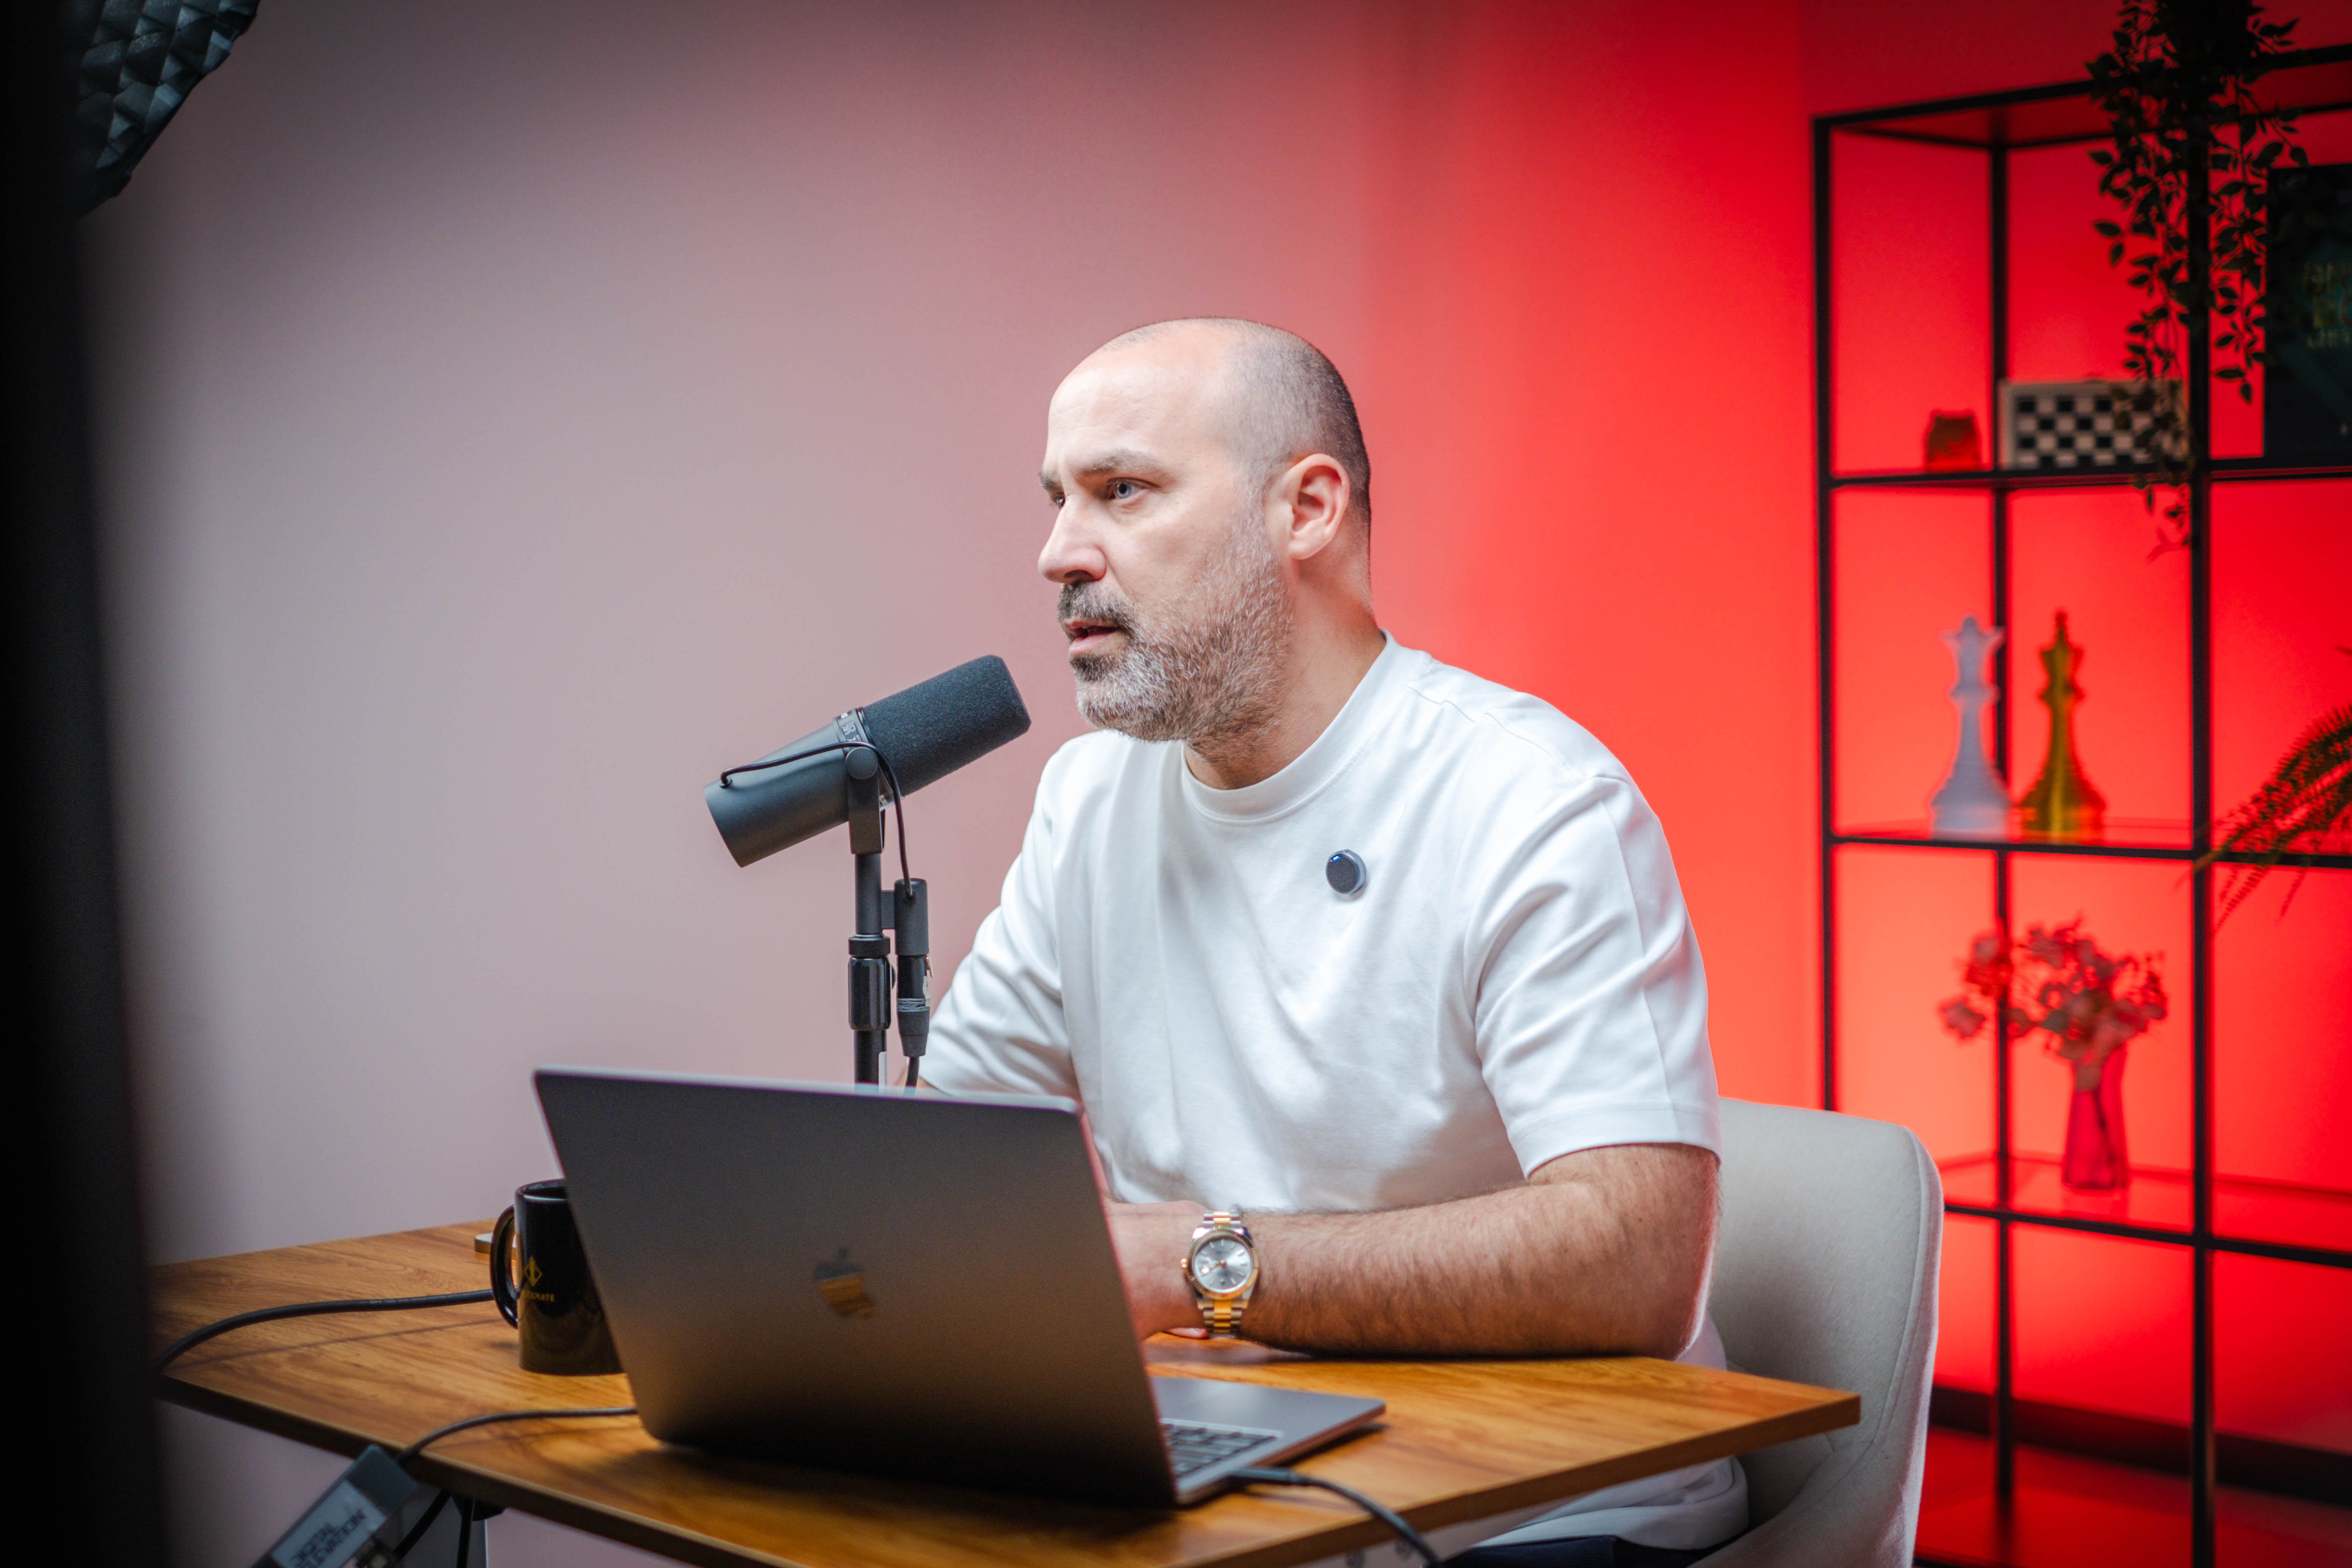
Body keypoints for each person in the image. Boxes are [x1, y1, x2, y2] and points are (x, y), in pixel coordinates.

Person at [923, 318, 1743, 1564]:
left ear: (1305, 509)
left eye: (1122, 490)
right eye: (1056, 500)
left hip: (1544, 1508)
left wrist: (1200, 1265)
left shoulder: (1532, 799)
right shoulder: (1087, 801)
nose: (1057, 553)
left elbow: (1640, 1262)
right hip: (1250, 1485)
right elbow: (948, 1166)